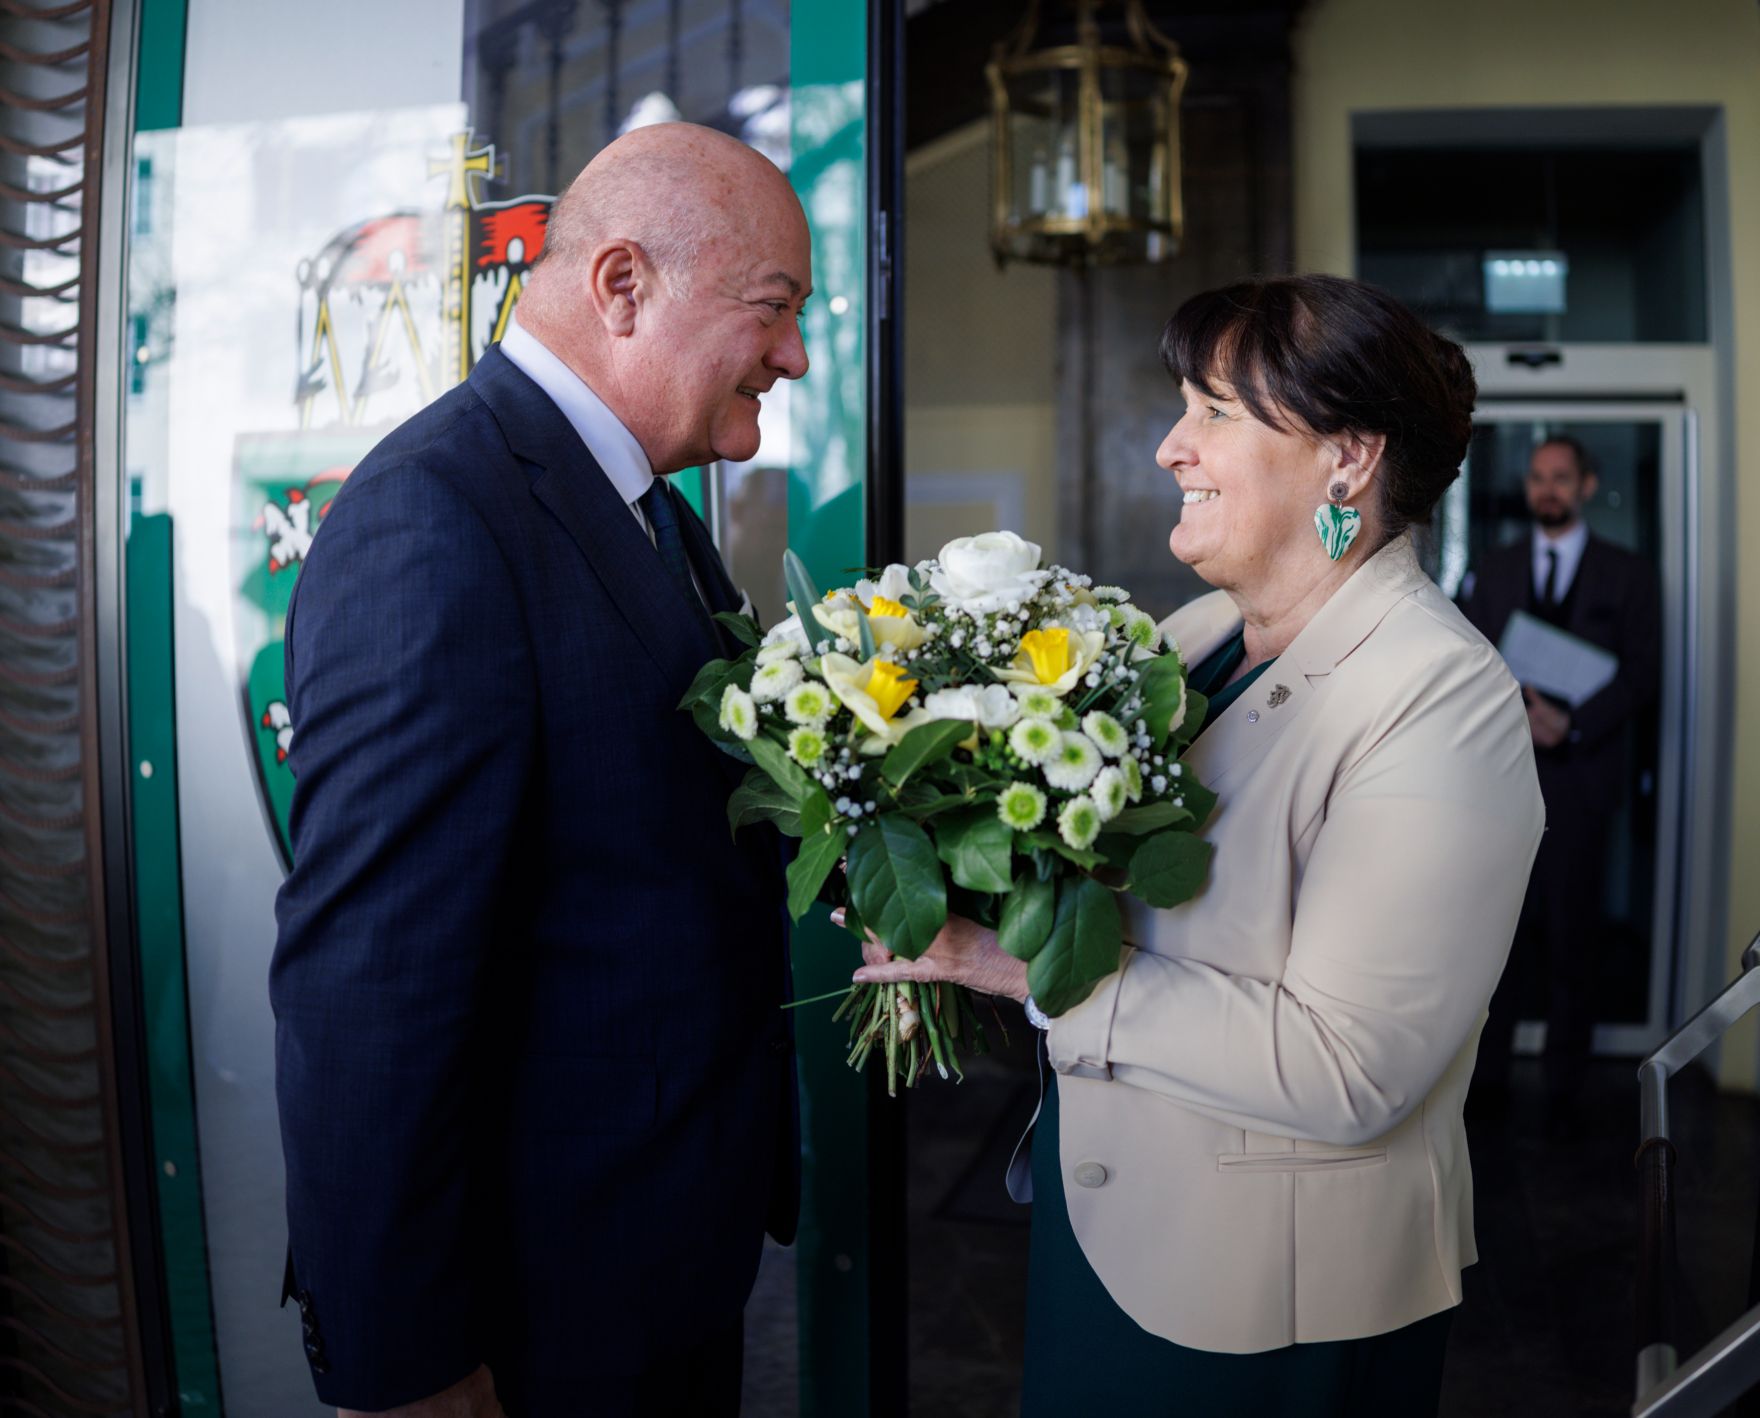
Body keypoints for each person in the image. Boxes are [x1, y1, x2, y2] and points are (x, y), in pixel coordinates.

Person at [849, 275, 1543, 1415]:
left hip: (1268, 1298)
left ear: (1348, 458)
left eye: (1214, 411)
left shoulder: (1439, 697)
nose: (1172, 446)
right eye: (1184, 407)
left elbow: (1349, 1067)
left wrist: (1018, 967)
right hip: (1107, 1224)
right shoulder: (1198, 633)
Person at [270, 123, 810, 1418]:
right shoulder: (435, 514)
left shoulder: (648, 505)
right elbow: (369, 972)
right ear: (623, 285)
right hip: (534, 1308)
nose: (792, 355)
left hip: (656, 1255)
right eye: (773, 307)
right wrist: (400, 1359)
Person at [1458, 435, 1661, 1120]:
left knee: (1576, 940)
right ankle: (1487, 1084)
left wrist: (1571, 725)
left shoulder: (1628, 575)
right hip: (1503, 783)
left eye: (1560, 477)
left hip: (1582, 781)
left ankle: (1565, 1093)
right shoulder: (1496, 568)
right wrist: (1521, 716)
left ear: (1586, 485)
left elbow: (1643, 672)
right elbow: (1471, 660)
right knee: (1499, 937)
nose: (1546, 489)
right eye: (1538, 477)